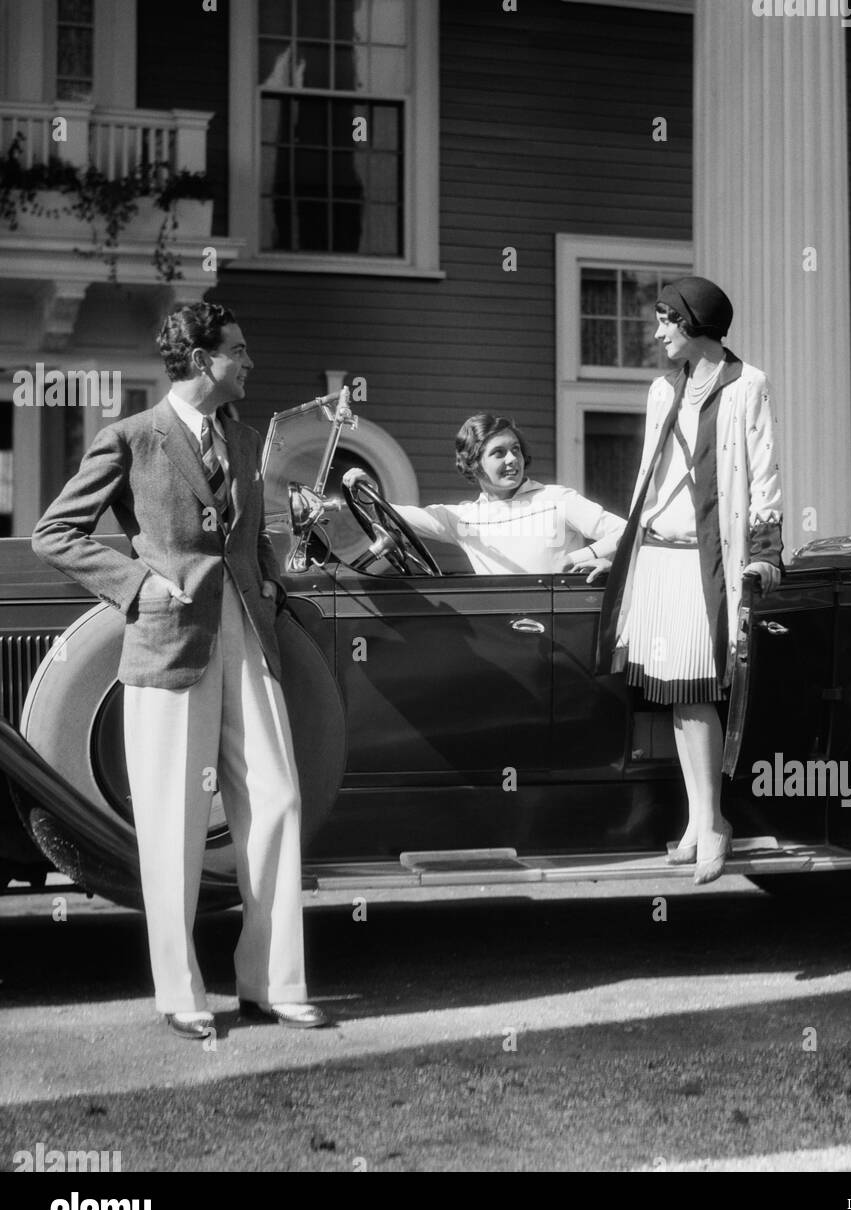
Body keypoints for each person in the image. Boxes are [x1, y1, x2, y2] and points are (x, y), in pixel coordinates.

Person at [32, 302, 328, 1039]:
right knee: (173, 821)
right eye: (238, 350)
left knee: (278, 798)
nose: (249, 362)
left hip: (247, 635)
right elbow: (55, 534)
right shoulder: (130, 438)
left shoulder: (246, 435)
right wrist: (138, 585)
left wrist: (268, 582)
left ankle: (272, 982)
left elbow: (251, 534)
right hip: (168, 638)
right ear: (201, 360)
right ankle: (180, 992)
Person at [596, 277, 783, 884]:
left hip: (707, 561)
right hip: (658, 557)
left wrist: (765, 553)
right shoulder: (661, 390)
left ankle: (710, 821)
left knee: (696, 688)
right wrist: (614, 548)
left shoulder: (746, 385)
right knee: (680, 695)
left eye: (665, 322)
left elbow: (764, 475)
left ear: (695, 324)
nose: (657, 334)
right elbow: (650, 480)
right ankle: (702, 819)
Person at [344, 412, 626, 575]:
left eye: (515, 449)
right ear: (474, 464)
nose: (512, 460)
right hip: (500, 633)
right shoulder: (465, 519)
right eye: (498, 453)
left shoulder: (555, 500)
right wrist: (367, 488)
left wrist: (580, 558)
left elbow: (624, 532)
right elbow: (395, 516)